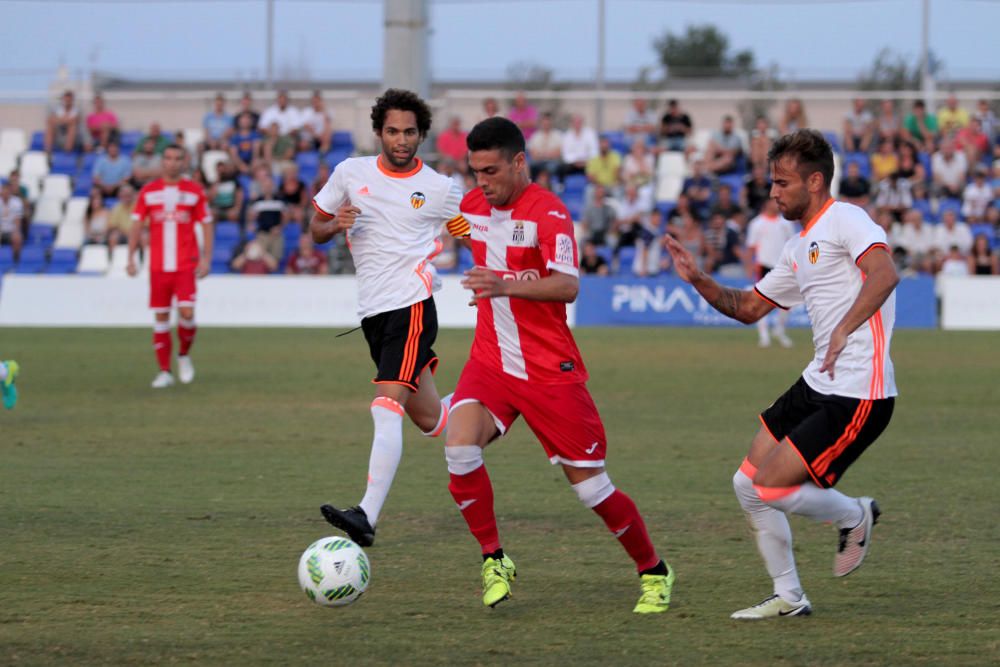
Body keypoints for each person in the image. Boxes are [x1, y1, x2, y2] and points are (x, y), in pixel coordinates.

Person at [665, 129, 898, 620]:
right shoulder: (799, 247)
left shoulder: (847, 219)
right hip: (818, 382)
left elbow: (884, 275)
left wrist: (843, 330)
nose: (773, 192)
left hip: (859, 392)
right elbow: (749, 307)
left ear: (815, 181)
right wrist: (699, 279)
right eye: (772, 182)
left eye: (782, 182)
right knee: (746, 483)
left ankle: (855, 515)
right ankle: (790, 597)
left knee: (772, 486)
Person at [447, 116, 674, 613]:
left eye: (490, 171)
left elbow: (568, 285)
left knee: (593, 488)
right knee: (459, 447)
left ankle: (654, 571)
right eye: (475, 172)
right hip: (491, 362)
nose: (482, 183)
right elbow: (459, 229)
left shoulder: (549, 215)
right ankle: (494, 559)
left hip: (550, 371)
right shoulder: (469, 206)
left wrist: (502, 284)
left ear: (519, 162)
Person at [310, 89, 470, 546]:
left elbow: (469, 234)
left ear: (422, 135)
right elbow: (316, 227)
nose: (402, 140)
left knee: (385, 407)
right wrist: (334, 223)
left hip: (412, 305)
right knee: (432, 419)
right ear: (379, 132)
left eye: (410, 132)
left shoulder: (440, 188)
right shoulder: (349, 173)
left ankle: (367, 515)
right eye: (393, 131)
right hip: (374, 314)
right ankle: (491, 405)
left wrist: (501, 279)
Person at [126, 144, 214, 389]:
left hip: (186, 264)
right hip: (158, 266)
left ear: (183, 162)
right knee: (162, 316)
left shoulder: (194, 191)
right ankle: (164, 371)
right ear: (162, 162)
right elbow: (136, 225)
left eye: (177, 159)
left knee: (187, 313)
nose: (172, 163)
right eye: (168, 158)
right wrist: (131, 257)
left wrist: (206, 258)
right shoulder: (149, 192)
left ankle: (183, 354)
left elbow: (206, 224)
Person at [745, 198, 796, 348]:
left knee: (787, 301)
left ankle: (779, 330)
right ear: (766, 204)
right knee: (761, 300)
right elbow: (751, 247)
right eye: (775, 202)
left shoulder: (786, 224)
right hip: (764, 265)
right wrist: (749, 266)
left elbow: (792, 245)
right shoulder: (757, 223)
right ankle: (763, 335)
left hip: (782, 266)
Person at [0, 181, 25, 262]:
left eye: (7, 190)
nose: (5, 192)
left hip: (11, 230)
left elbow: (17, 219)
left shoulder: (16, 202)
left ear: (10, 191)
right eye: (4, 190)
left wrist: (16, 231)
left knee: (17, 237)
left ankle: (16, 259)